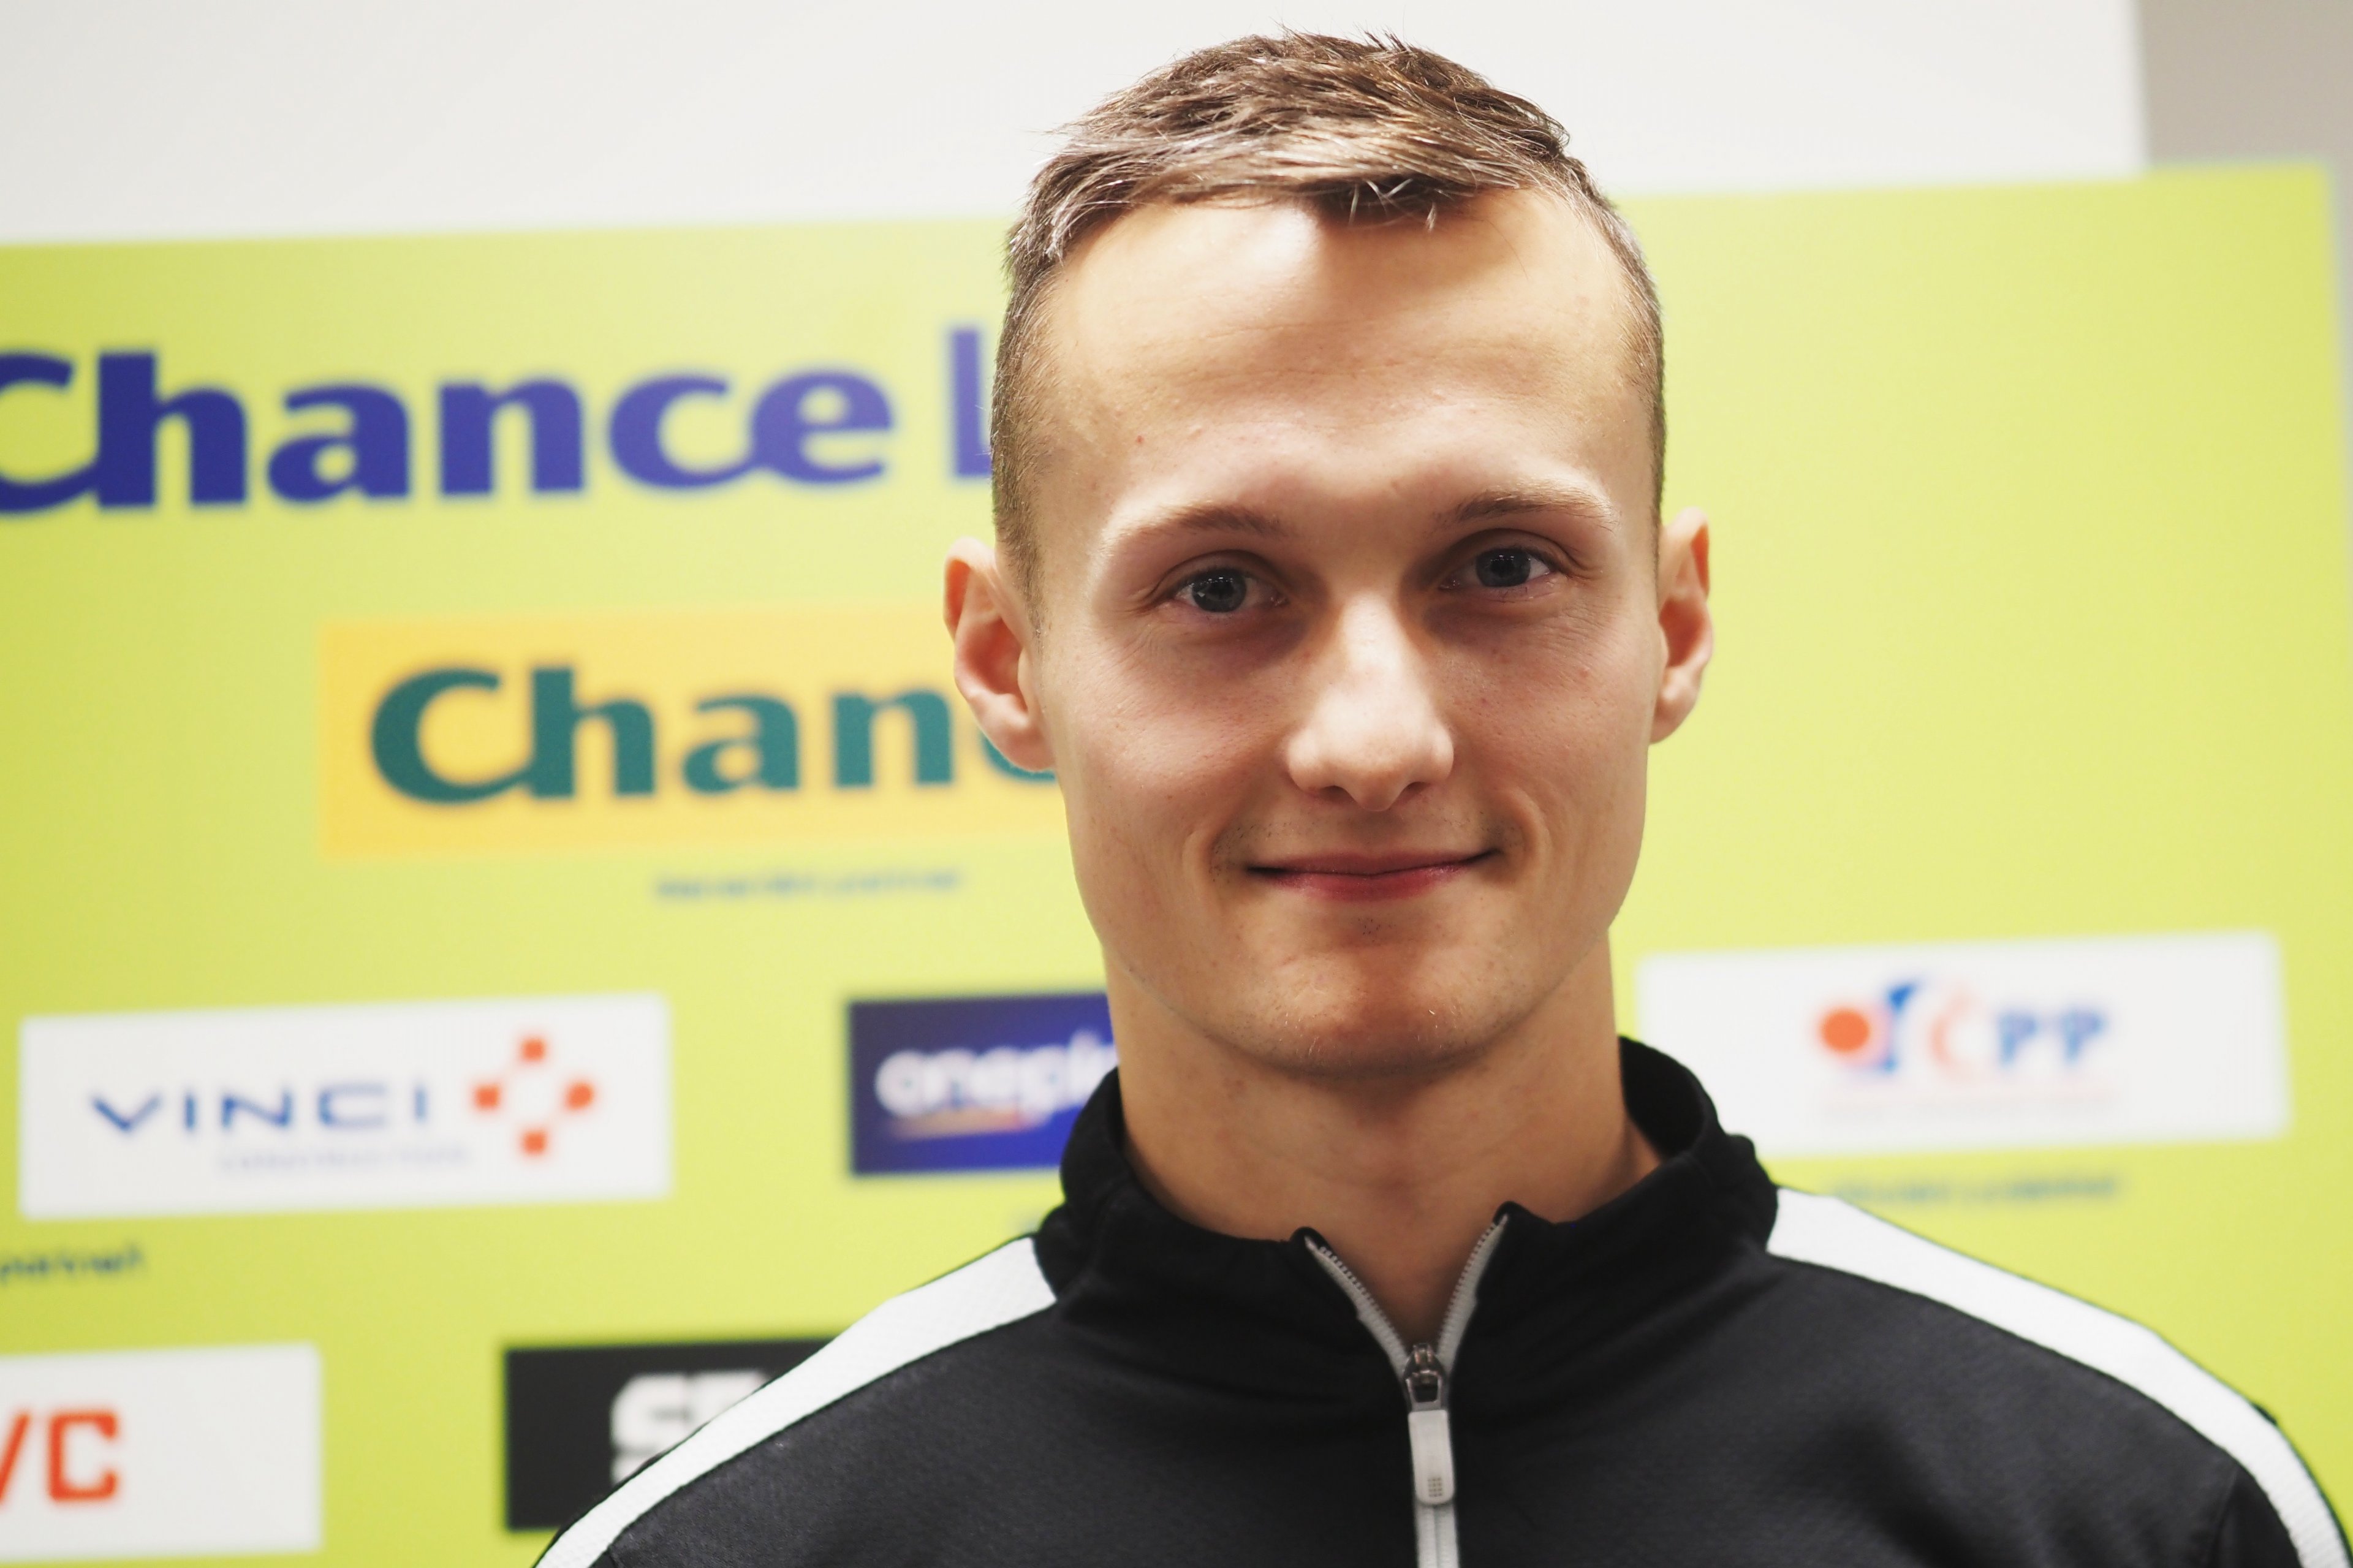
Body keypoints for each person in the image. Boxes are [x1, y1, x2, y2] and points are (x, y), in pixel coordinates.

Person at [540, 33, 2346, 1568]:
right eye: (1222, 588)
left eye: (1499, 567)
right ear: (1008, 662)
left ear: (1673, 627)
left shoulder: (2140, 1509)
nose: (1373, 741)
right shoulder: (727, 1551)